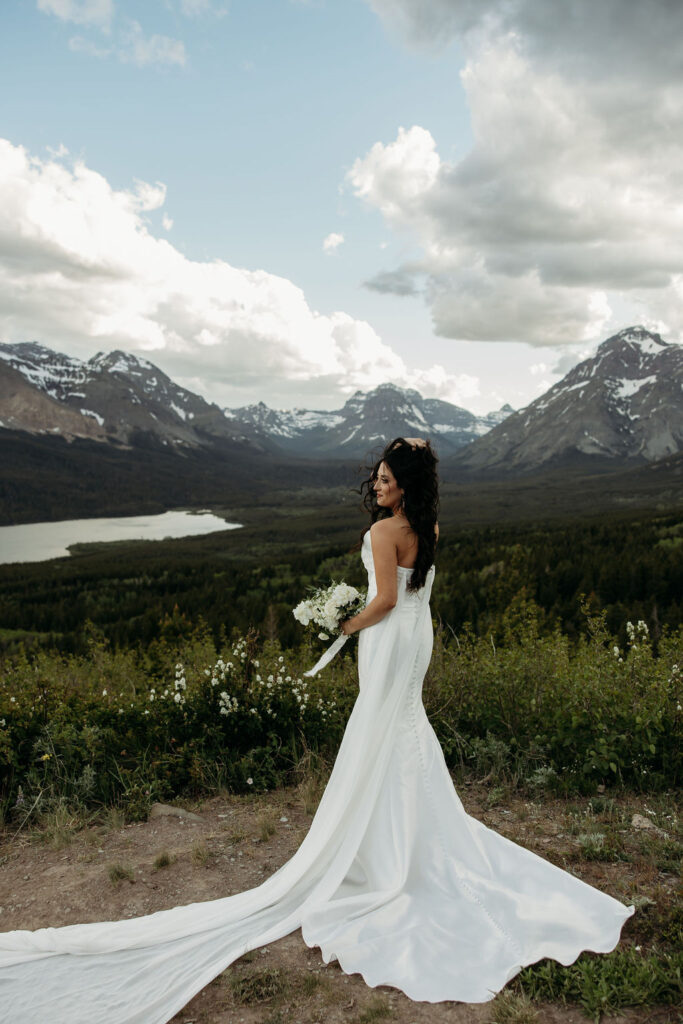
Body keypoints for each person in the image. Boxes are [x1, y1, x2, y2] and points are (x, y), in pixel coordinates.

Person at [0, 437, 634, 1023]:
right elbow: (415, 596)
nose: (378, 485)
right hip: (420, 637)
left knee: (382, 725)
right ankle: (400, 837)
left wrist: (345, 624)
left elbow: (383, 600)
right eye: (378, 478)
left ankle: (382, 853)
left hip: (388, 636)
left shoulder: (385, 532)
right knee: (401, 725)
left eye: (387, 479)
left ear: (404, 487)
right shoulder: (430, 527)